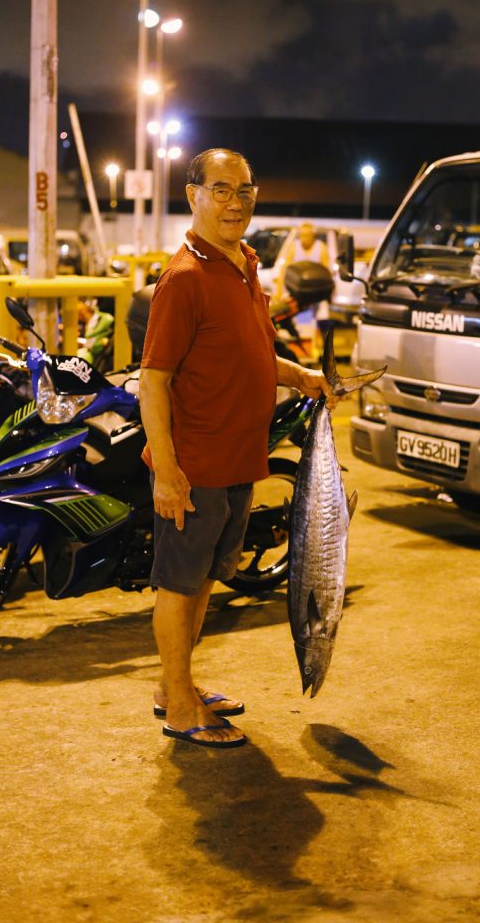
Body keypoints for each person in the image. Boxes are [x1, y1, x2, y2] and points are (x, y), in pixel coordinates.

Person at [139, 148, 338, 749]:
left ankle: (176, 683)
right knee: (180, 583)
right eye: (220, 190)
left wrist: (296, 375)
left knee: (202, 581)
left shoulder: (245, 264)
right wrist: (167, 470)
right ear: (192, 195)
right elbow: (154, 380)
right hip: (196, 464)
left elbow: (243, 353)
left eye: (244, 190)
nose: (234, 202)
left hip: (238, 459)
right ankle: (179, 705)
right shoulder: (185, 279)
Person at [273, 221, 333, 355]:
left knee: (323, 318)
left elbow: (327, 269)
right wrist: (279, 289)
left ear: (313, 235)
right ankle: (303, 351)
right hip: (298, 293)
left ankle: (325, 351)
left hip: (317, 292)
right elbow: (285, 269)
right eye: (302, 235)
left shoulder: (321, 247)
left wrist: (328, 292)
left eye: (307, 235)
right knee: (302, 322)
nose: (305, 238)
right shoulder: (294, 247)